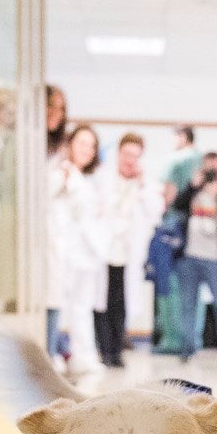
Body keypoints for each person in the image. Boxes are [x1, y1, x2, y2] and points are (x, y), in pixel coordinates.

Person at [170, 151, 217, 364]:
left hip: (215, 259)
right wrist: (193, 186)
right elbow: (177, 206)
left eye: (215, 167)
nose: (211, 171)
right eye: (207, 167)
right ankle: (187, 349)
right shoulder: (195, 186)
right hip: (189, 257)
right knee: (187, 305)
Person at [48, 123, 108, 380]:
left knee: (83, 307)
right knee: (63, 305)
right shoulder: (61, 172)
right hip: (66, 252)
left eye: (92, 146)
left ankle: (83, 355)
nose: (87, 150)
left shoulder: (87, 179)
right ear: (70, 144)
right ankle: (58, 354)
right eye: (82, 143)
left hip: (88, 253)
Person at [96, 132, 161, 368]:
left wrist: (142, 186)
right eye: (126, 154)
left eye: (135, 155)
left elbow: (156, 211)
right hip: (104, 251)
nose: (130, 160)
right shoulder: (103, 177)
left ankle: (116, 350)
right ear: (119, 153)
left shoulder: (146, 183)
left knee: (120, 303)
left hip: (128, 254)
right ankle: (104, 350)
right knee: (102, 301)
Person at [153, 125, 203, 353]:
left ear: (183, 137)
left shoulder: (176, 160)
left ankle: (172, 340)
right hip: (200, 229)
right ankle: (193, 338)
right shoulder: (202, 161)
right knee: (194, 287)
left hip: (175, 227)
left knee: (170, 283)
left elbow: (169, 191)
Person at [42, 85, 70, 357]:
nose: (56, 114)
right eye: (50, 106)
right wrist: (60, 178)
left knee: (54, 299)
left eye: (61, 108)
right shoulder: (31, 145)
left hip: (56, 235)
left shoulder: (59, 150)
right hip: (36, 235)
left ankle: (50, 357)